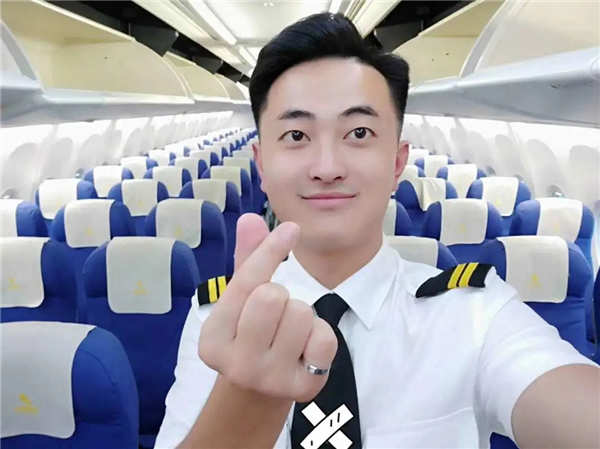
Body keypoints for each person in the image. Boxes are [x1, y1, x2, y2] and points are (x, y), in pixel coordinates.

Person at [155, 12, 599, 449]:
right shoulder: (219, 320)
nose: (327, 167)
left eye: (359, 132)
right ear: (261, 166)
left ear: (398, 162)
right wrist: (243, 402)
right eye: (296, 136)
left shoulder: (474, 313)